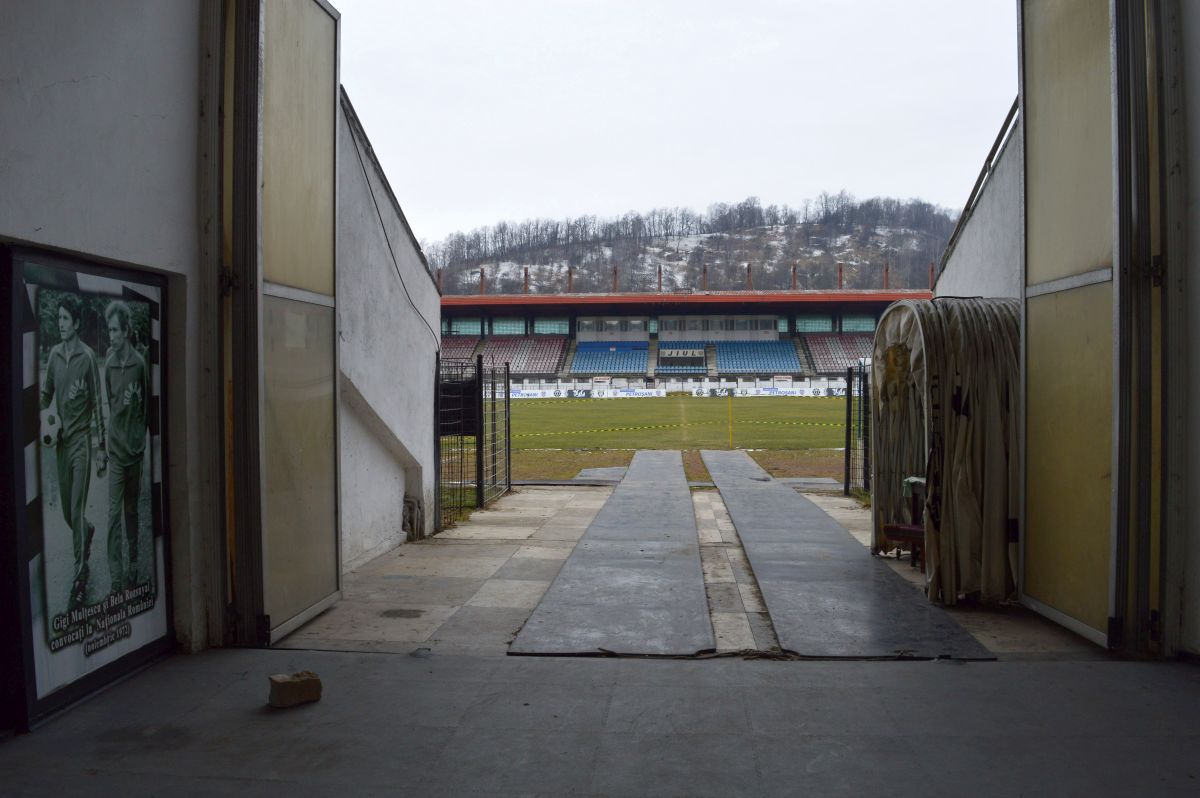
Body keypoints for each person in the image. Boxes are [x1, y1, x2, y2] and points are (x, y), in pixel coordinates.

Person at [39, 293, 105, 612]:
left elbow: (96, 405)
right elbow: (44, 396)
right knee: (69, 514)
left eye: (67, 319)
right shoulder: (53, 356)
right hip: (62, 445)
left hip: (81, 444)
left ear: (77, 323)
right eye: (60, 318)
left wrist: (101, 446)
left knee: (76, 510)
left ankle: (80, 578)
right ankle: (88, 532)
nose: (62, 323)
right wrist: (40, 418)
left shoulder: (88, 357)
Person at [102, 300, 150, 593]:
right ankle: (116, 577)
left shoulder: (139, 364)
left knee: (131, 511)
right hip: (116, 454)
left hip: (135, 453)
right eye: (109, 330)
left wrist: (138, 440)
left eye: (116, 330)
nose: (111, 335)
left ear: (127, 331)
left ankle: (133, 562)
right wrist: (114, 439)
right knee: (112, 514)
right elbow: (112, 403)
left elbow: (144, 407)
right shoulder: (107, 364)